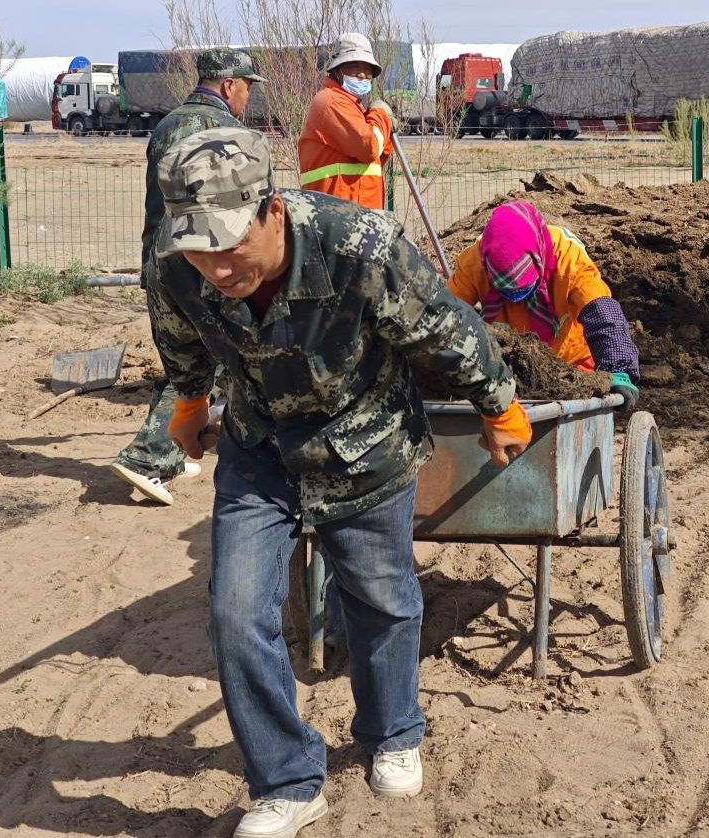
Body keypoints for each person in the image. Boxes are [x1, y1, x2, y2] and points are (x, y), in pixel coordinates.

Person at [148, 126, 531, 838]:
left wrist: (498, 404)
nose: (217, 270)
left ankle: (392, 734)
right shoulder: (177, 266)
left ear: (270, 210)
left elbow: (444, 328)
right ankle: (287, 781)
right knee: (234, 613)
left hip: (366, 444)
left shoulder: (360, 247)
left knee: (381, 599)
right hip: (259, 450)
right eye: (198, 251)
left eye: (229, 247)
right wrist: (191, 403)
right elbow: (179, 337)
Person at [110, 48, 267, 504]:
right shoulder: (227, 131)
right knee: (213, 361)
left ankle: (175, 450)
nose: (248, 97)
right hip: (204, 262)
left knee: (184, 358)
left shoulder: (167, 124)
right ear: (230, 84)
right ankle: (148, 456)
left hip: (160, 259)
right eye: (248, 87)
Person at [448, 200, 642, 409]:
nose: (516, 298)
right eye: (508, 292)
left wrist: (618, 368)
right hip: (510, 366)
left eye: (523, 290)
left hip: (574, 367)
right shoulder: (473, 263)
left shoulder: (568, 258)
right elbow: (446, 316)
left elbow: (602, 312)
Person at [298, 32, 393, 210]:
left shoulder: (354, 107)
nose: (362, 74)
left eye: (367, 68)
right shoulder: (332, 101)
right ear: (337, 70)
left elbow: (377, 156)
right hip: (338, 218)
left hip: (357, 215)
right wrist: (380, 115)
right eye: (353, 66)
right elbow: (369, 147)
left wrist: (384, 125)